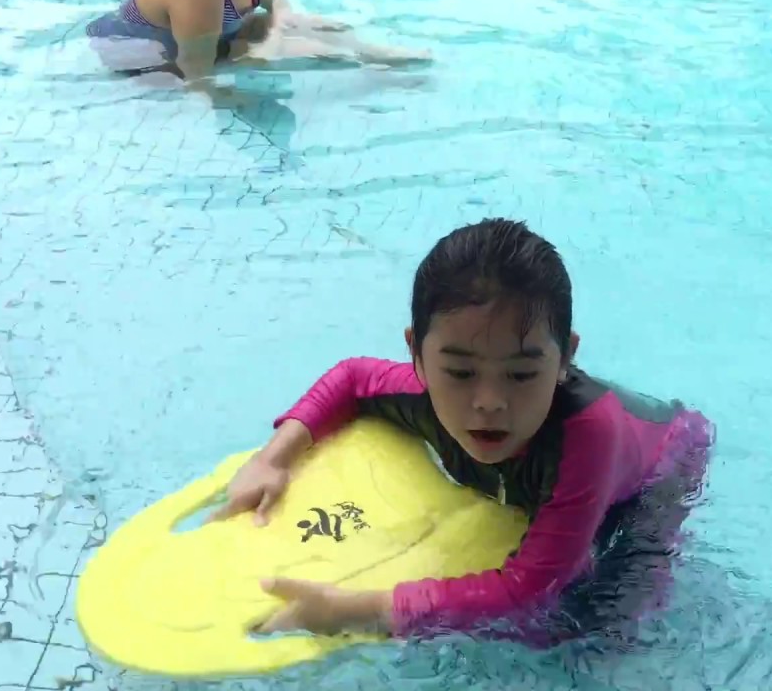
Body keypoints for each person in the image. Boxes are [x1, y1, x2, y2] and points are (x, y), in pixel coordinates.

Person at [208, 217, 716, 646]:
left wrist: (359, 610)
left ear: (566, 359)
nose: (488, 402)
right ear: (417, 355)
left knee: (591, 631)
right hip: (556, 472)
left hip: (657, 471)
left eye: (521, 374)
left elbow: (528, 587)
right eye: (460, 372)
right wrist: (273, 459)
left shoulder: (588, 437)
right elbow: (350, 377)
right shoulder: (421, 394)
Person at [84, 0, 431, 84]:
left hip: (209, 35)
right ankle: (379, 76)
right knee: (303, 50)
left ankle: (377, 55)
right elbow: (195, 72)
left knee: (323, 29)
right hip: (143, 54)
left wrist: (283, 27)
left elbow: (276, 3)